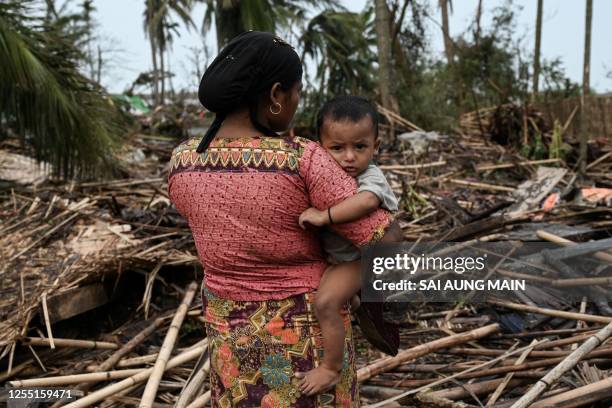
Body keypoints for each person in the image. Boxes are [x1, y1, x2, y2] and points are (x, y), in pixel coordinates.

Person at [168, 31, 402, 407]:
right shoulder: (300, 159)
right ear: (276, 95)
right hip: (306, 344)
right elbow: (386, 242)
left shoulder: (182, 161)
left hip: (229, 340)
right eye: (296, 92)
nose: (296, 101)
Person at [297, 96, 400, 394]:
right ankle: (359, 302)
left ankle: (331, 367)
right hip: (343, 259)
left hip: (366, 257)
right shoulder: (323, 174)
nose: (349, 157)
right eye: (337, 148)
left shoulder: (371, 177)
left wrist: (323, 216)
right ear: (319, 147)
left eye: (360, 147)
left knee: (325, 303)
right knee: (332, 295)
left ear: (376, 146)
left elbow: (366, 201)